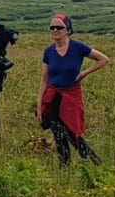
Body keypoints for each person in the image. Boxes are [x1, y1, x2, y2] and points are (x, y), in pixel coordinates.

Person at [37, 14, 109, 167]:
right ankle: (64, 164)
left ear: (68, 29)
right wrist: (39, 105)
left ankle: (92, 160)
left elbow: (103, 59)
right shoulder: (48, 52)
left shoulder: (77, 47)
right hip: (53, 96)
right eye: (52, 28)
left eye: (59, 27)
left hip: (71, 94)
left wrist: (84, 73)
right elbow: (44, 79)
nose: (55, 30)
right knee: (57, 131)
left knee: (72, 131)